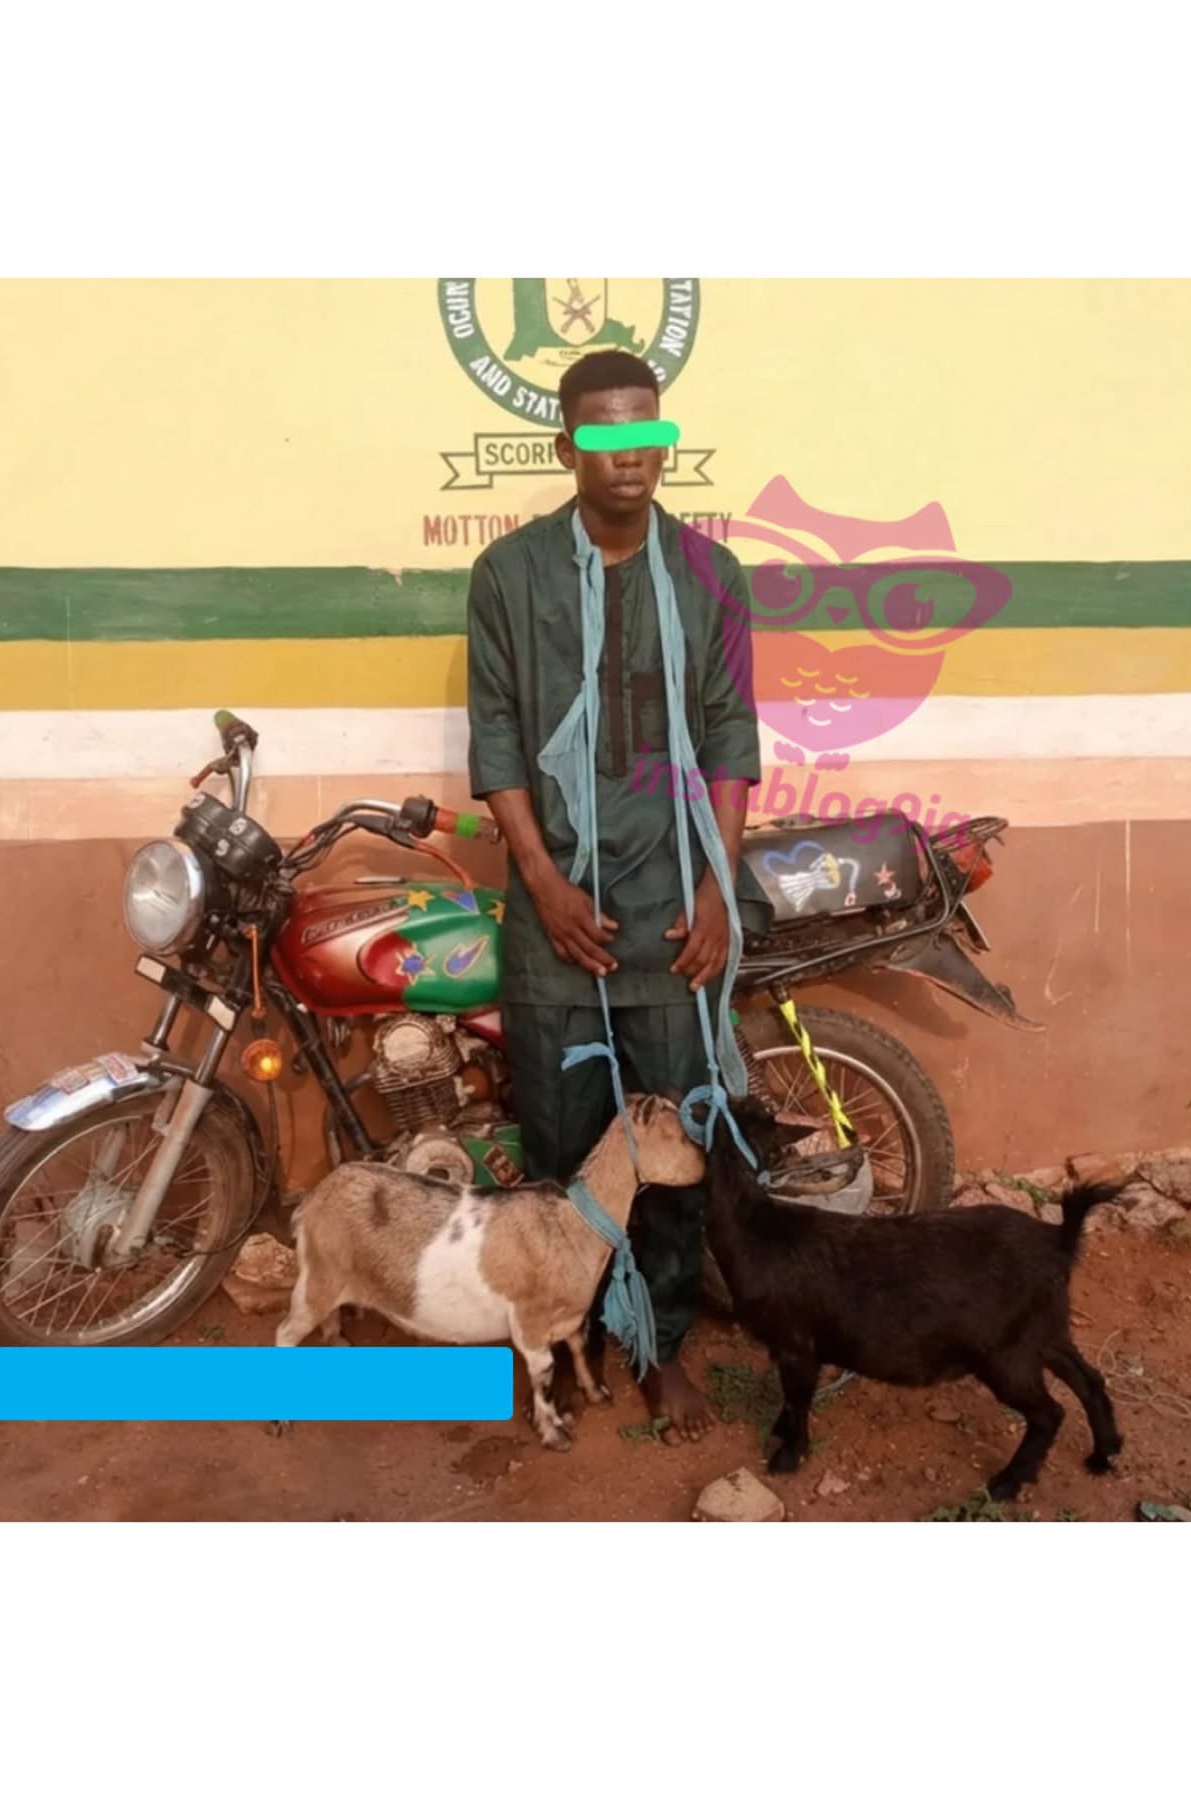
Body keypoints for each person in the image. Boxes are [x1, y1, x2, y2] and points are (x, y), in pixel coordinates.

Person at [465, 348, 770, 1441]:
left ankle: (662, 1345)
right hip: (558, 922)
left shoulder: (710, 576)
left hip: (674, 917)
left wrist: (718, 883)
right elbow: (497, 739)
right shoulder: (510, 576)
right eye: (604, 436)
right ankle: (567, 1334)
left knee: (673, 1152)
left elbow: (729, 735)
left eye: (646, 432)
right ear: (568, 448)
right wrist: (544, 884)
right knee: (561, 1152)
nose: (629, 455)